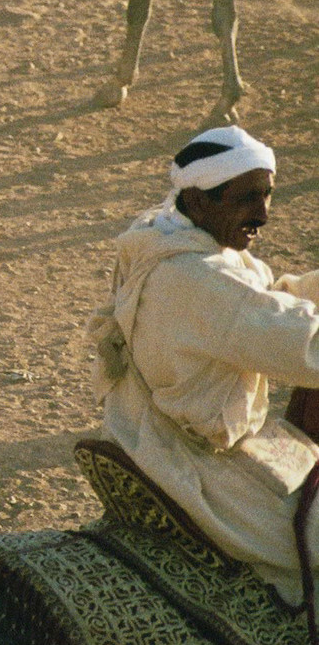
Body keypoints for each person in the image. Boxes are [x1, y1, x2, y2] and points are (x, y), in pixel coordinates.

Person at [89, 125, 319, 609]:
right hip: (189, 466)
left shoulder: (169, 241)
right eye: (247, 199)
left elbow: (264, 304)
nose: (263, 215)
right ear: (197, 201)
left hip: (145, 433)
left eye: (268, 196)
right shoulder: (196, 278)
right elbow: (300, 344)